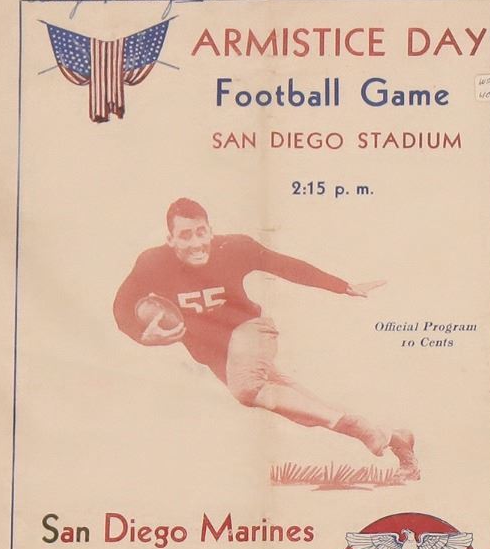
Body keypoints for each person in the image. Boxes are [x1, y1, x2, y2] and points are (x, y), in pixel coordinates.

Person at [113, 198, 417, 478]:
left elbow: (284, 265)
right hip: (216, 353)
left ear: (210, 231)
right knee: (297, 408)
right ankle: (393, 438)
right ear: (170, 240)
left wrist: (341, 285)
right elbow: (122, 305)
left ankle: (365, 431)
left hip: (250, 330)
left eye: (201, 232)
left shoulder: (233, 248)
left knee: (247, 388)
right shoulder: (153, 263)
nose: (196, 243)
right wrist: (143, 335)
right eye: (185, 235)